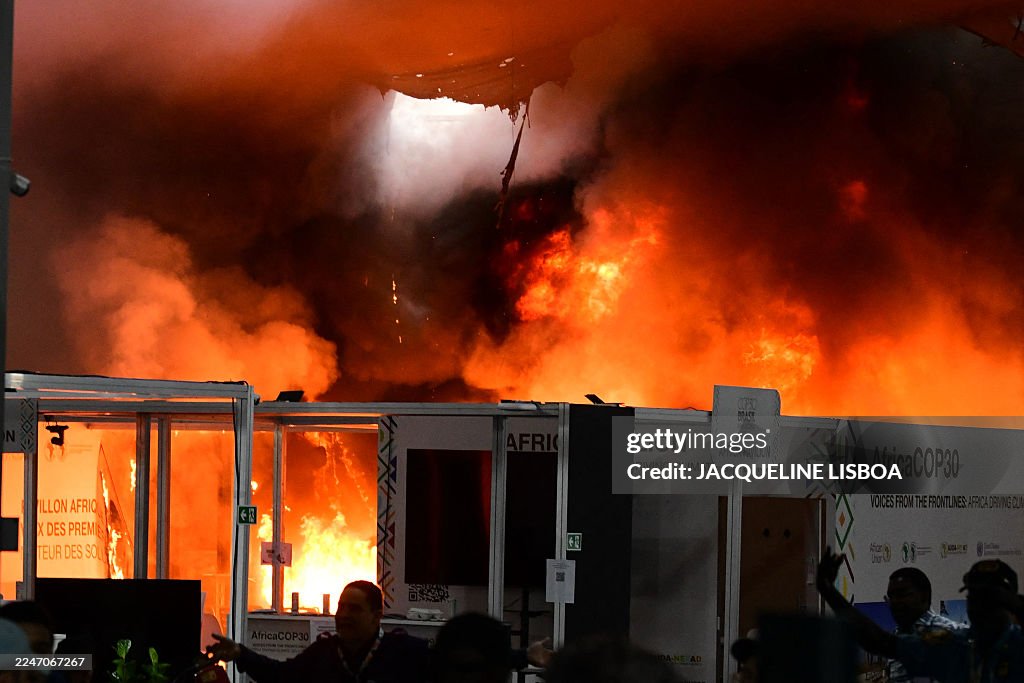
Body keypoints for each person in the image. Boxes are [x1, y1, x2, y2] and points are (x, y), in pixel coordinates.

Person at [817, 548, 1024, 683]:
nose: (979, 607)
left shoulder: (1018, 645)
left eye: (989, 599)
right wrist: (829, 591)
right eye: (973, 597)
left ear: (1009, 603)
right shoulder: (954, 647)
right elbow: (878, 641)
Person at [206, 580, 430, 682]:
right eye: (341, 607)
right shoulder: (325, 652)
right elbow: (282, 675)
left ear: (377, 616)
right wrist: (240, 653)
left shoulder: (406, 652)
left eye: (354, 609)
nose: (344, 616)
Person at [883, 567, 962, 683]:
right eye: (891, 596)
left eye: (902, 595)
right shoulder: (895, 636)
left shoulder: (952, 633)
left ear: (924, 596)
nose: (894, 602)